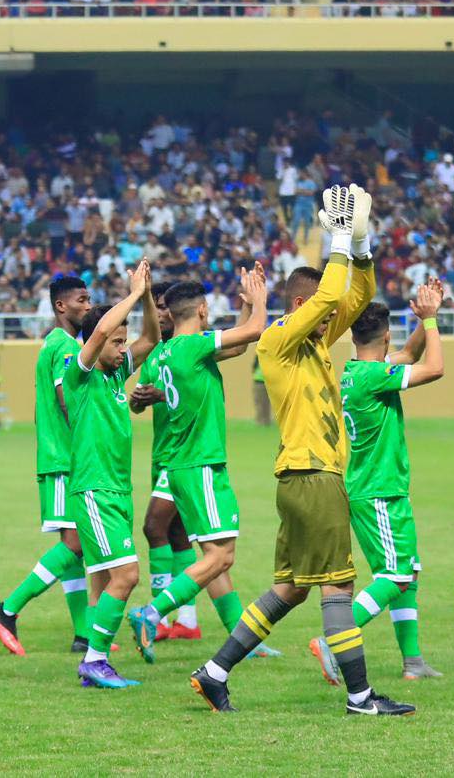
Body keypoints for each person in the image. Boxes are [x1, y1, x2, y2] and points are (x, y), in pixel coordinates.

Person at [189, 183, 414, 716]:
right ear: (299, 305)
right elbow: (334, 297)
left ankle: (214, 672)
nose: (326, 313)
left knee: (290, 588)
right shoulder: (278, 339)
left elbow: (352, 298)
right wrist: (336, 237)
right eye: (314, 304)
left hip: (300, 476)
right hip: (314, 476)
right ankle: (360, 696)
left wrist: (359, 246)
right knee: (338, 585)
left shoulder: (307, 340)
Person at [125, 270, 270, 662]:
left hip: (179, 466)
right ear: (203, 310)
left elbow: (235, 346)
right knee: (220, 556)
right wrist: (259, 297)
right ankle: (151, 613)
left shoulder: (163, 353)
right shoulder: (196, 345)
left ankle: (242, 640)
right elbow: (255, 332)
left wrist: (242, 305)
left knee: (213, 557)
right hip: (201, 463)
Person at [308, 281, 446, 685]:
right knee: (396, 576)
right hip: (378, 490)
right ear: (386, 335)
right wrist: (434, 320)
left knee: (408, 574)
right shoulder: (374, 377)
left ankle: (413, 660)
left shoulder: (354, 372)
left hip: (379, 488)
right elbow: (433, 367)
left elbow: (412, 353)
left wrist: (424, 319)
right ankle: (334, 639)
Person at [63, 259, 160, 689]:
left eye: (123, 343)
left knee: (107, 580)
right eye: (117, 343)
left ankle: (94, 663)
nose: (123, 349)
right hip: (94, 490)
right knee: (127, 576)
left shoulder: (116, 372)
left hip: (118, 490)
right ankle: (95, 660)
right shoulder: (78, 375)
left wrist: (149, 298)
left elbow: (152, 338)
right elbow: (101, 331)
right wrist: (133, 295)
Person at [0, 277, 92, 655]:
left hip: (60, 457)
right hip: (65, 458)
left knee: (74, 546)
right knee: (77, 543)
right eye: (82, 299)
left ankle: (83, 633)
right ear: (61, 306)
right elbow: (68, 401)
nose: (88, 305)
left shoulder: (54, 342)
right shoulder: (64, 346)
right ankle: (8, 608)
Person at [129, 282, 200, 641]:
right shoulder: (155, 353)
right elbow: (137, 404)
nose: (159, 313)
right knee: (177, 534)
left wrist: (161, 396)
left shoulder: (187, 349)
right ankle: (187, 621)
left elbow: (188, 398)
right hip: (163, 454)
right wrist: (142, 399)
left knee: (153, 527)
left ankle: (155, 615)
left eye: (162, 307)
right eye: (155, 307)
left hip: (181, 455)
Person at [250, 353, 270, 426]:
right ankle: (261, 421)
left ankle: (265, 421)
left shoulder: (267, 356)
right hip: (259, 381)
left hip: (265, 381)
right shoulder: (258, 356)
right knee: (259, 402)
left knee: (264, 402)